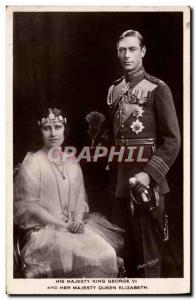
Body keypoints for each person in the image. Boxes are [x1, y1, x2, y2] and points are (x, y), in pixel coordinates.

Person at [14, 107, 124, 278]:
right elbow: (32, 207)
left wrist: (78, 221)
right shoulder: (32, 163)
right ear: (40, 131)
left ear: (65, 129)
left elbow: (80, 200)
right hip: (42, 231)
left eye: (57, 127)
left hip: (71, 228)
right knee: (76, 260)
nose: (53, 133)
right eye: (47, 128)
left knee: (108, 253)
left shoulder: (72, 161)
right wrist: (63, 225)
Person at [106, 30, 181, 277]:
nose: (126, 55)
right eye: (121, 50)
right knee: (124, 255)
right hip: (119, 181)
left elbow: (172, 141)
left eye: (132, 49)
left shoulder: (158, 88)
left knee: (150, 257)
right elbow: (116, 137)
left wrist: (149, 175)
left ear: (143, 51)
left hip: (147, 182)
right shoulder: (114, 90)